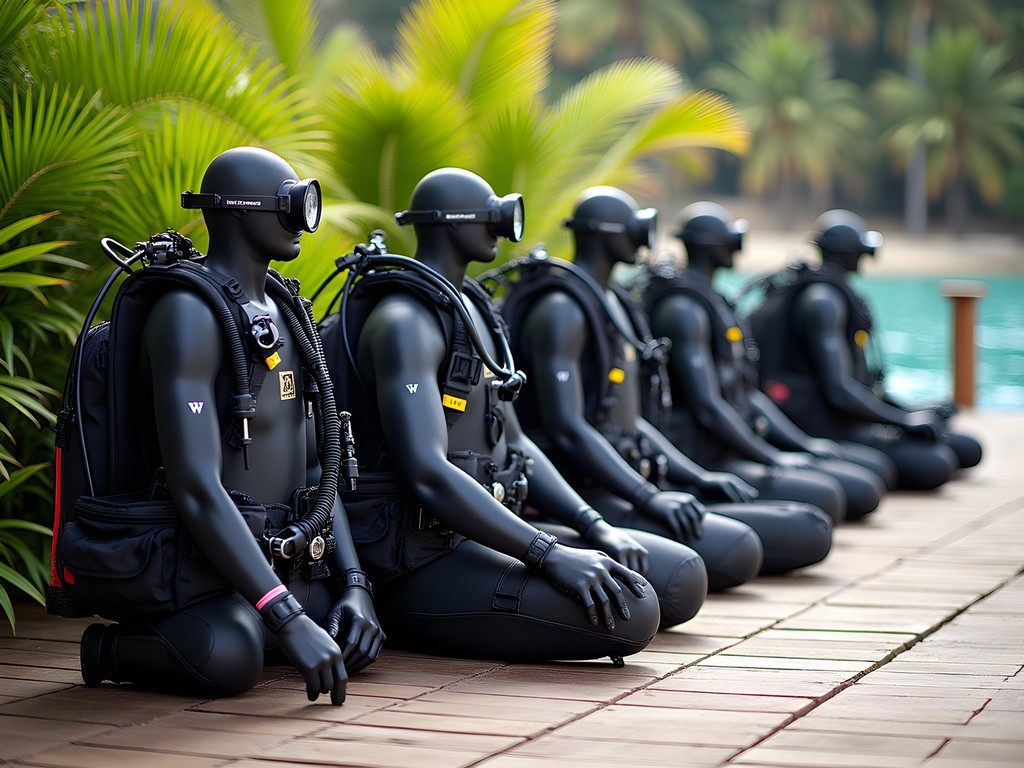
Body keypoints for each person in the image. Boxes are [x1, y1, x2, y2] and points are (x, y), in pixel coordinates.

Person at [320, 168, 688, 663]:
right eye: (490, 214)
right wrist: (547, 553)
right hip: (419, 556)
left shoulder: (470, 307)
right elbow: (426, 472)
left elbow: (517, 443)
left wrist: (593, 524)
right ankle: (417, 615)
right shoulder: (404, 320)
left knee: (683, 575)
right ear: (450, 224)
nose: (501, 224)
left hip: (487, 528)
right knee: (636, 611)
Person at [79, 147, 383, 704]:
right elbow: (196, 485)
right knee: (232, 655)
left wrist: (354, 585)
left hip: (284, 560)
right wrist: (285, 615)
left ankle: (281, 612)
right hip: (203, 568)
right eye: (288, 205)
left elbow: (323, 462)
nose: (301, 221)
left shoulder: (287, 312)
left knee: (356, 627)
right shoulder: (188, 314)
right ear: (240, 211)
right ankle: (109, 649)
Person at [496, 187, 832, 591]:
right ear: (604, 233)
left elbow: (629, 420)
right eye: (634, 223)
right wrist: (646, 497)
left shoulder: (612, 301)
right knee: (745, 547)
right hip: (582, 489)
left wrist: (696, 476)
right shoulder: (562, 308)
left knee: (809, 519)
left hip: (629, 476)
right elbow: (567, 428)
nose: (644, 233)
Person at [637, 201, 891, 520]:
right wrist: (770, 456)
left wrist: (802, 444)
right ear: (711, 245)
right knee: (844, 492)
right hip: (701, 453)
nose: (737, 247)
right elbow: (707, 405)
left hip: (729, 445)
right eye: (732, 239)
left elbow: (747, 395)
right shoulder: (683, 309)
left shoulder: (712, 300)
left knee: (863, 478)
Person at [745, 209, 983, 491]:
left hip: (842, 415)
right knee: (935, 464)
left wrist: (909, 411)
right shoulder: (823, 301)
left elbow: (857, 383)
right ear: (851, 251)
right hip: (823, 423)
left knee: (966, 448)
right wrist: (903, 421)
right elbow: (838, 389)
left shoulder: (833, 292)